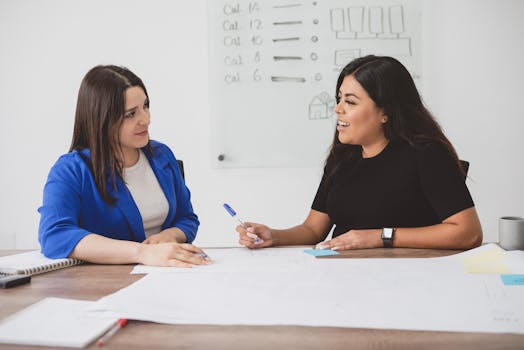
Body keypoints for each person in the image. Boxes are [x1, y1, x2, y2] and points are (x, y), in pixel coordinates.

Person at [238, 55, 483, 251]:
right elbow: (313, 230)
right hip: (344, 278)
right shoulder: (343, 157)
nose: (337, 109)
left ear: (385, 112)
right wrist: (274, 236)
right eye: (339, 99)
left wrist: (379, 237)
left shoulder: (426, 154)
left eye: (351, 102)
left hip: (407, 281)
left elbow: (468, 232)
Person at [38, 65, 210, 267]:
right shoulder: (71, 170)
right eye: (131, 114)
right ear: (101, 119)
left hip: (164, 276)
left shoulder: (162, 156)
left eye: (145, 106)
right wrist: (141, 253)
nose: (146, 120)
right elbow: (54, 236)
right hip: (104, 283)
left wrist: (171, 235)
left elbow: (186, 218)